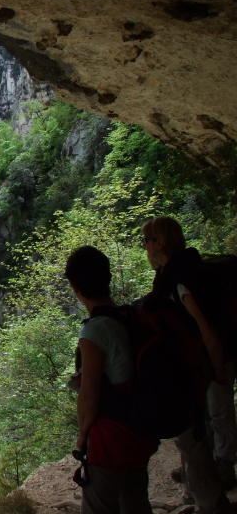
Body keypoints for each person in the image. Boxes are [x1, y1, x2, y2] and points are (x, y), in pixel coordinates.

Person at [142, 216, 235, 511]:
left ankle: (223, 468)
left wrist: (219, 367)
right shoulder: (174, 272)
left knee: (216, 413)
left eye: (146, 241)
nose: (144, 247)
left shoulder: (181, 278)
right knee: (202, 417)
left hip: (212, 355)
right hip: (200, 357)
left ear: (159, 243)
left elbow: (208, 329)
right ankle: (200, 478)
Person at [66, 246, 159, 514]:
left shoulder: (94, 331)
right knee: (136, 502)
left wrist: (82, 437)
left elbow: (89, 396)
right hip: (140, 428)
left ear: (75, 287)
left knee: (98, 506)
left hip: (111, 438)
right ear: (108, 278)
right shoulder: (129, 317)